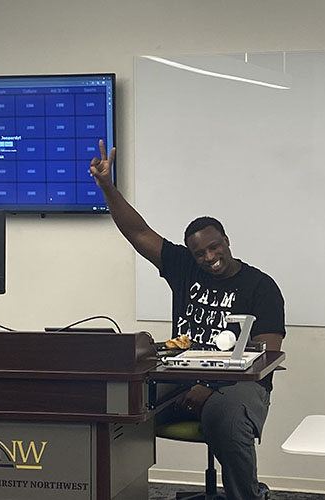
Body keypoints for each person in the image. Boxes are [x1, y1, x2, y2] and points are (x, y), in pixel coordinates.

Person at [89, 140, 285, 500]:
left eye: (215, 247)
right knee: (117, 406)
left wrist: (211, 389)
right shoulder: (182, 268)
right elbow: (137, 231)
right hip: (180, 379)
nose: (209, 257)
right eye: (200, 253)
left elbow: (265, 358)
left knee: (225, 418)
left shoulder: (261, 287)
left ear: (226, 241)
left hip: (241, 387)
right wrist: (107, 187)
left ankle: (246, 496)